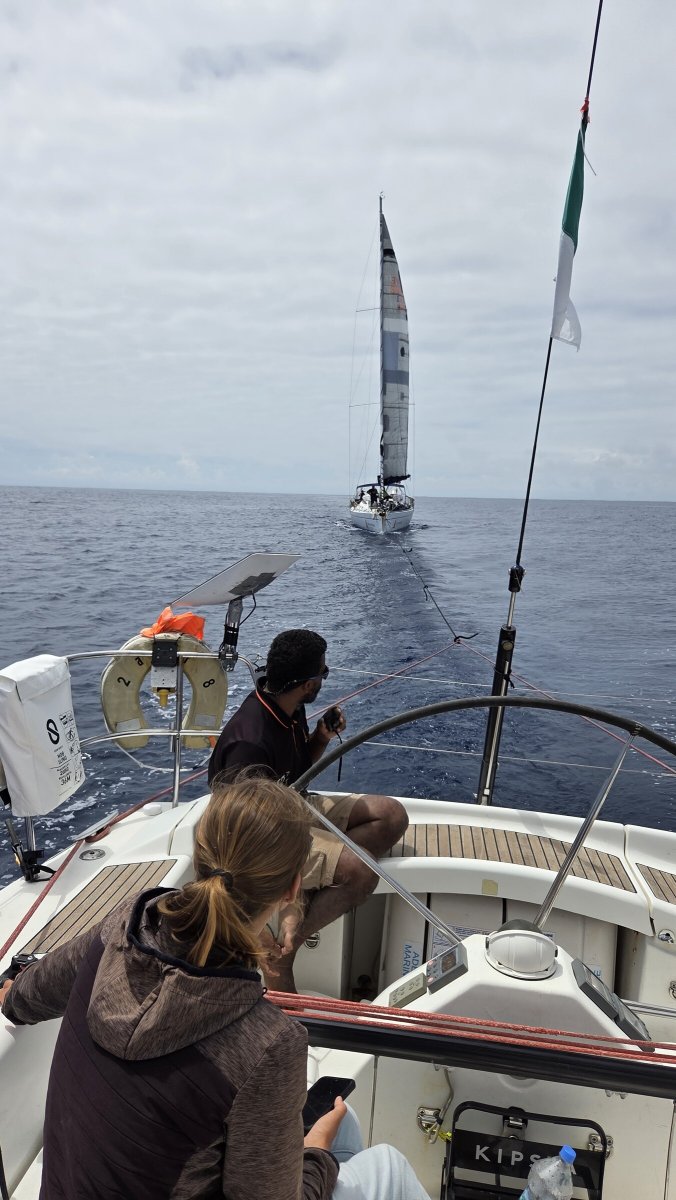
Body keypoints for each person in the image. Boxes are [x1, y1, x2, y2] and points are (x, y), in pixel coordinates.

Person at [0, 777, 430, 1200]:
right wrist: (317, 1154)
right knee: (384, 1161)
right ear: (293, 889)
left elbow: (26, 997)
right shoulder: (270, 1046)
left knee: (341, 1116)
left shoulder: (119, 926)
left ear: (200, 859)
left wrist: (9, 993)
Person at [207, 629, 408, 992]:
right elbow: (245, 830)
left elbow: (298, 771)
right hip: (259, 835)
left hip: (291, 803)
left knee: (391, 815)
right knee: (361, 872)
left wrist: (321, 738)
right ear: (305, 684)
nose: (324, 677)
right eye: (323, 673)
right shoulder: (249, 744)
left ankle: (318, 881)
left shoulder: (290, 706)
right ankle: (287, 947)